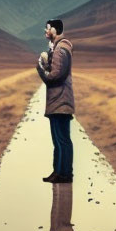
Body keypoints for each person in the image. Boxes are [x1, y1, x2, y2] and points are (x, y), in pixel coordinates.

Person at [36, 18, 75, 184]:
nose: (46, 31)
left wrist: (42, 67)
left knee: (62, 139)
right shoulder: (58, 48)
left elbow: (55, 76)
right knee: (58, 140)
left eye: (48, 29)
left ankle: (65, 173)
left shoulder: (61, 49)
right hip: (58, 101)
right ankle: (59, 171)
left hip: (60, 102)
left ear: (55, 30)